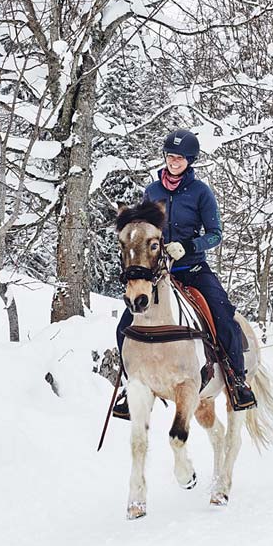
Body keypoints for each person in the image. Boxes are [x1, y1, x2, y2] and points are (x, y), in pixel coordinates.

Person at [112, 129, 257, 419]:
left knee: (223, 315)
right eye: (170, 156)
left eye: (179, 157)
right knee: (124, 326)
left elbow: (215, 234)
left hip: (191, 269)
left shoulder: (201, 192)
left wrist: (189, 245)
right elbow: (143, 231)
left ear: (190, 160)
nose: (173, 161)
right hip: (158, 275)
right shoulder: (152, 192)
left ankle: (236, 379)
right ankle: (131, 386)